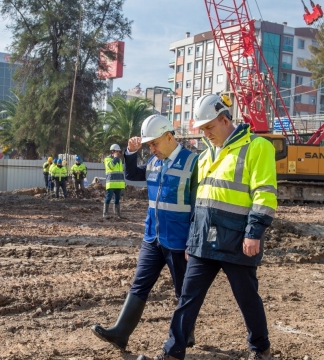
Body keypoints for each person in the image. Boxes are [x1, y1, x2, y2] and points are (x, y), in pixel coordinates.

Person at [138, 94, 278, 360]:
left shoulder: (257, 147)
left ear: (225, 120)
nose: (206, 133)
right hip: (204, 239)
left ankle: (261, 349)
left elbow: (265, 193)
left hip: (237, 239)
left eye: (209, 127)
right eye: (202, 129)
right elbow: (199, 203)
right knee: (187, 297)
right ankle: (172, 352)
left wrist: (254, 232)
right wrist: (193, 240)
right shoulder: (205, 156)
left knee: (247, 299)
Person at [92, 115, 199, 351]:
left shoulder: (193, 162)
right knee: (139, 284)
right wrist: (131, 152)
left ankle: (185, 335)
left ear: (169, 137)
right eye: (148, 145)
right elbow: (131, 175)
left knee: (183, 290)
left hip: (179, 241)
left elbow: (198, 207)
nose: (151, 149)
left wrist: (193, 242)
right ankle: (121, 333)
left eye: (154, 144)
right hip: (153, 237)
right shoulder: (154, 162)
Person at [103, 144, 125, 218]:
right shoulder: (107, 159)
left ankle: (117, 214)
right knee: (108, 198)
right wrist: (115, 159)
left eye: (119, 152)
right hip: (111, 183)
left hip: (118, 184)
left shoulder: (120, 160)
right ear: (112, 151)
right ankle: (105, 213)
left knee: (117, 200)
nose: (118, 153)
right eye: (117, 151)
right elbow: (111, 167)